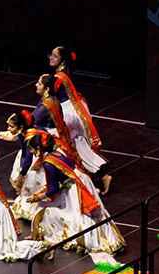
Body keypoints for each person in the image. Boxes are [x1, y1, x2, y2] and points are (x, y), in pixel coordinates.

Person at [28, 130, 125, 257]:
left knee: (79, 216)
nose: (31, 152)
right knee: (93, 214)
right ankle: (109, 240)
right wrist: (40, 191)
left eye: (32, 149)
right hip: (81, 180)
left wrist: (38, 197)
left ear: (39, 148)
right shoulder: (57, 152)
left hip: (74, 188)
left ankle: (96, 242)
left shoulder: (48, 163)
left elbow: (54, 188)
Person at [48, 47, 112, 194]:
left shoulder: (59, 77)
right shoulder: (65, 73)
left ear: (62, 60)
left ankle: (93, 177)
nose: (51, 57)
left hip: (70, 112)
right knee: (78, 146)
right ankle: (100, 176)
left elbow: (51, 97)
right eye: (50, 54)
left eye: (55, 56)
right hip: (74, 108)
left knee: (70, 146)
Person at [0, 110, 48, 222]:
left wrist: (21, 176)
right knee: (26, 179)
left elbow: (28, 159)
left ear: (20, 126)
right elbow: (24, 152)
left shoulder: (30, 136)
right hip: (34, 155)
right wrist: (21, 172)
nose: (9, 129)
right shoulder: (22, 132)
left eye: (11, 127)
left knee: (31, 181)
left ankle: (33, 209)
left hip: (42, 158)